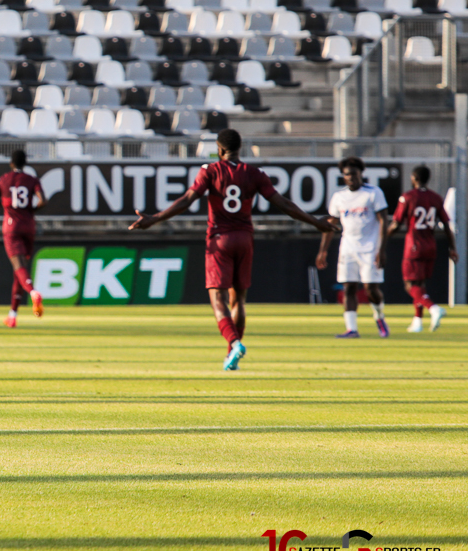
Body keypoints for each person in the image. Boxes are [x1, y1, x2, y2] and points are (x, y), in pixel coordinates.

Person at [129, 129, 335, 370]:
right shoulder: (255, 173)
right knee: (239, 301)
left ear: (219, 149)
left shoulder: (210, 171)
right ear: (240, 148)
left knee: (218, 298)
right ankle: (231, 356)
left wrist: (153, 219)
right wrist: (317, 223)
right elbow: (284, 204)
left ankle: (234, 343)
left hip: (219, 239)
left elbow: (187, 199)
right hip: (245, 238)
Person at [317, 157, 391, 339]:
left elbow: (384, 220)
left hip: (370, 247)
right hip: (348, 248)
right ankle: (352, 329)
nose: (351, 178)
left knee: (370, 289)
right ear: (343, 176)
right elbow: (331, 225)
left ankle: (379, 316)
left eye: (354, 174)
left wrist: (381, 249)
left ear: (361, 174)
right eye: (347, 174)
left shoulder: (373, 193)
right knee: (348, 287)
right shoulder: (339, 197)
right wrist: (323, 250)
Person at [386, 165, 458, 332]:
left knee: (410, 285)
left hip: (414, 246)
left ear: (414, 178)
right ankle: (417, 321)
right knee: (420, 284)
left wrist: (383, 237)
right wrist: (452, 248)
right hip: (430, 245)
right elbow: (447, 225)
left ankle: (433, 308)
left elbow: (396, 223)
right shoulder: (436, 198)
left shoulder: (408, 197)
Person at [0, 149, 45, 328]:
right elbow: (43, 200)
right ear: (25, 163)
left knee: (19, 268)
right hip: (29, 227)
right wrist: (30, 211)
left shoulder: (3, 179)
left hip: (11, 228)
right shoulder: (32, 180)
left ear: (11, 163)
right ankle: (12, 315)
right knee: (19, 271)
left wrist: (3, 201)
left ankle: (33, 292)